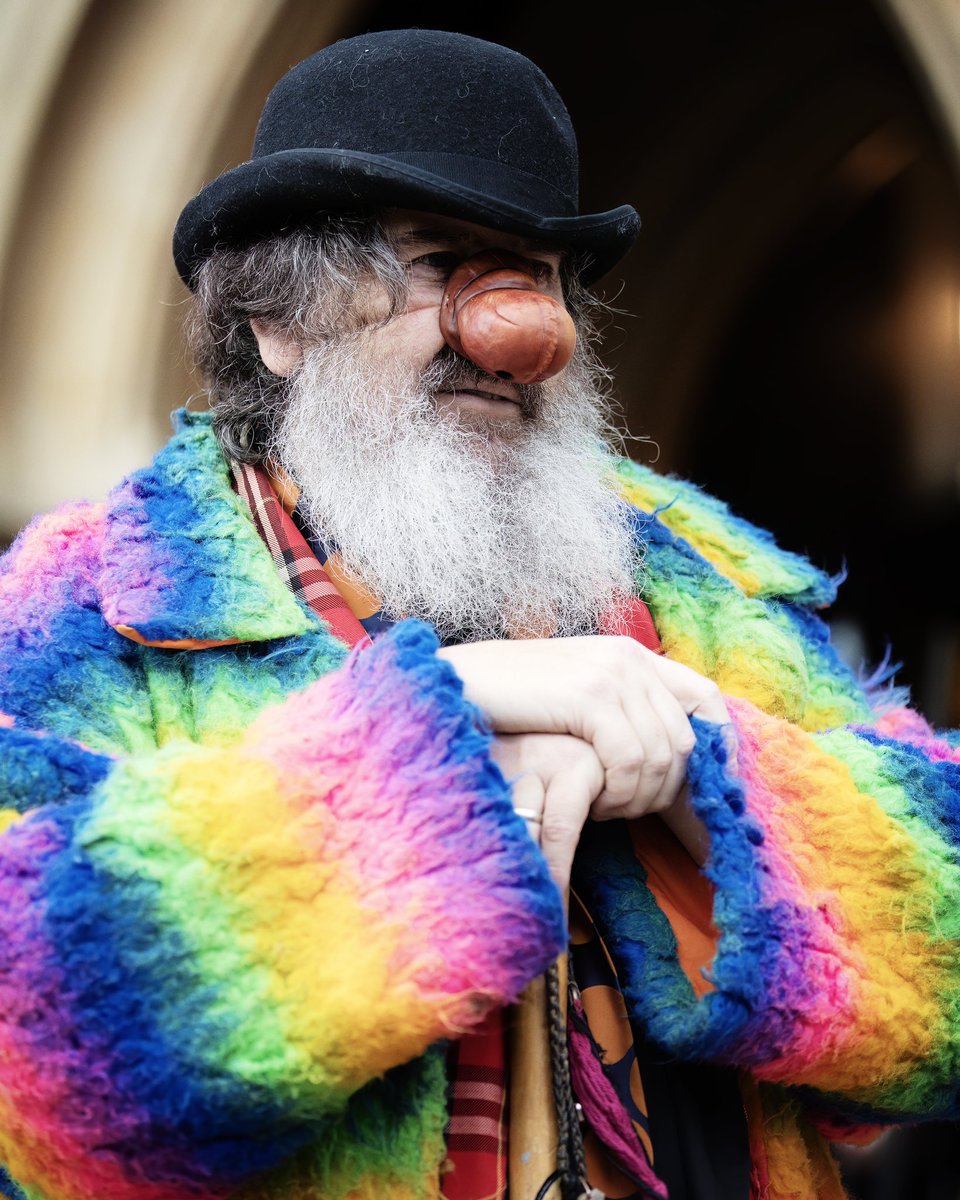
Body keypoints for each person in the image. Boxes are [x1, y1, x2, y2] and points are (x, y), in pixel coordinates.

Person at [0, 27, 957, 1200]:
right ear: (276, 323)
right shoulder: (92, 604)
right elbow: (33, 1066)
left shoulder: (708, 585)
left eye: (537, 275)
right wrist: (425, 756)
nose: (513, 335)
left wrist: (711, 770)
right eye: (440, 260)